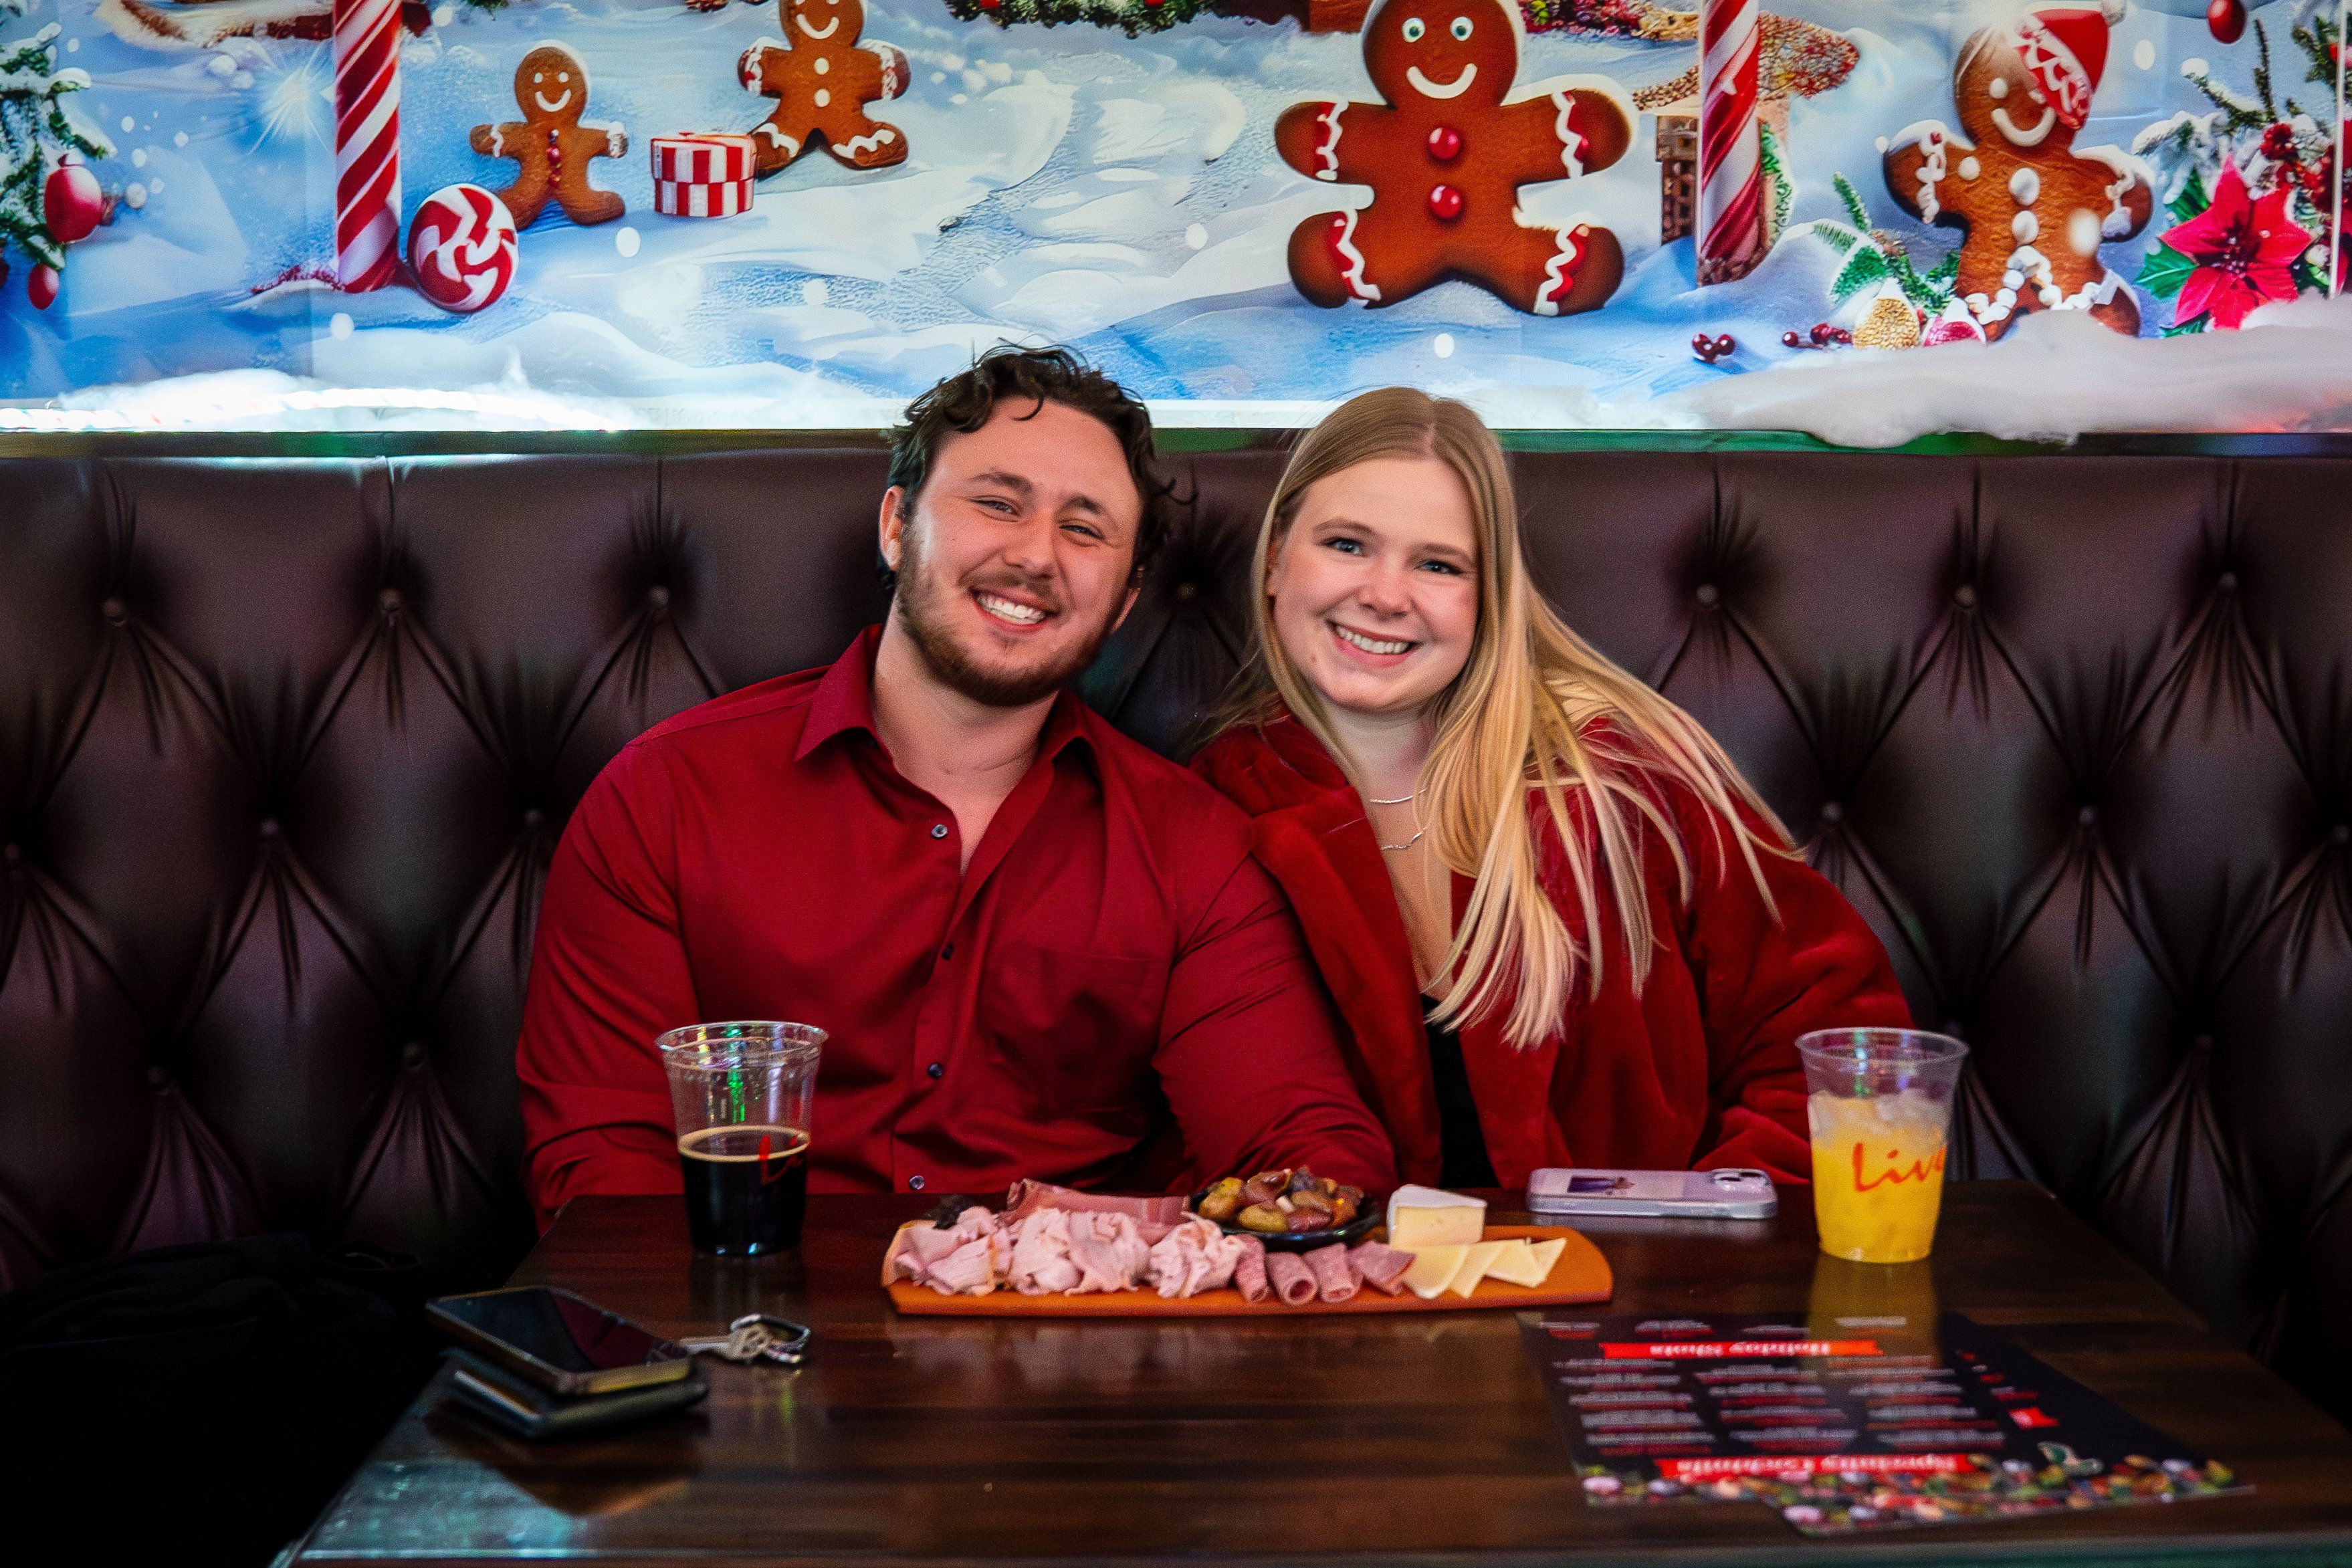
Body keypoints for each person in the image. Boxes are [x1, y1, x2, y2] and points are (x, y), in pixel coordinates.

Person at [517, 348, 1394, 1225]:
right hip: (753, 1326)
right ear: (898, 526)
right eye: (996, 502)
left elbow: (1299, 1143)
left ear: (1124, 601)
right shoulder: (665, 796)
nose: (1034, 554)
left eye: (1085, 528)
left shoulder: (1193, 847)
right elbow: (600, 1168)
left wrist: (1311, 1214)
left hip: (1069, 1339)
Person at [1190, 389, 1910, 1190]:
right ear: (1274, 561)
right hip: (1351, 1298)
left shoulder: (1621, 775)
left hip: (1624, 1294)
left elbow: (1840, 1036)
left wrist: (1704, 1240)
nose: (1386, 595)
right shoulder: (1211, 811)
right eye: (1348, 544)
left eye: (1438, 564)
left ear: (1488, 597)